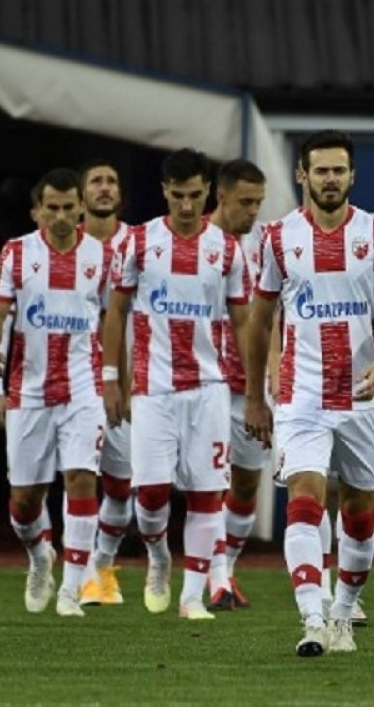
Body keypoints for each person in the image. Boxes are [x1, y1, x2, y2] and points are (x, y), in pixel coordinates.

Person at [245, 129, 374, 656]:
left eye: (339, 170)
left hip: (364, 394)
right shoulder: (276, 238)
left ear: (352, 175)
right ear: (303, 175)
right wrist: (254, 394)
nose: (331, 179)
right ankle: (312, 618)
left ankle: (342, 612)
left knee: (361, 514)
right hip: (302, 395)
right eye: (321, 170)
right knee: (306, 497)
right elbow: (260, 320)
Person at [102, 148, 250, 621]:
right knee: (149, 497)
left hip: (209, 388)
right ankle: (159, 557)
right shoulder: (139, 243)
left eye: (194, 195)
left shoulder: (227, 249)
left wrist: (260, 390)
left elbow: (244, 322)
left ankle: (191, 598)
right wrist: (112, 379)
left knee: (208, 492)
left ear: (208, 191)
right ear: (165, 191)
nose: (186, 206)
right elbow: (116, 312)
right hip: (153, 389)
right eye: (177, 196)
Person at [0, 167, 107, 618]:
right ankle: (40, 558)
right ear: (36, 211)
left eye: (67, 207)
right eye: (50, 208)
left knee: (81, 479)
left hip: (83, 390)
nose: (59, 216)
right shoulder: (16, 254)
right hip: (28, 392)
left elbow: (116, 320)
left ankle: (73, 590)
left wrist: (113, 380)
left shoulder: (101, 257)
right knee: (24, 501)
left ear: (80, 209)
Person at [72, 161, 136, 608]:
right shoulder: (59, 244)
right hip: (74, 377)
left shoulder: (138, 243)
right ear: (81, 196)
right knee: (78, 476)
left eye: (112, 180)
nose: (105, 188)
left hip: (132, 376)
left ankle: (103, 563)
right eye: (96, 180)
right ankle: (79, 570)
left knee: (122, 480)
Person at [205, 159, 268, 611]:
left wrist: (269, 385)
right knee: (206, 483)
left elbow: (272, 319)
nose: (253, 211)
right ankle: (209, 578)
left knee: (246, 484)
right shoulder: (195, 244)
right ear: (220, 197)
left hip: (251, 387)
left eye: (259, 203)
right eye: (245, 202)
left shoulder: (265, 248)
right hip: (202, 382)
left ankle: (225, 569)